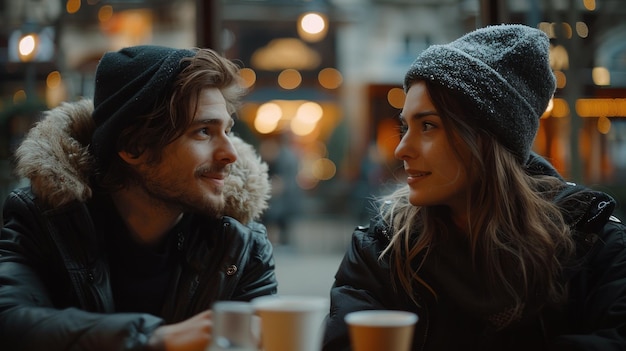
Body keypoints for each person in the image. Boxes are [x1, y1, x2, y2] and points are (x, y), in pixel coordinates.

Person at [323, 24, 626, 350]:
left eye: (428, 126)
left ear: (485, 140)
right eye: (405, 127)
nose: (401, 150)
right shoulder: (382, 248)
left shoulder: (593, 245)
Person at [0, 45, 277, 350]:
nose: (231, 153)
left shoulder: (239, 247)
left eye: (227, 130)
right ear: (133, 147)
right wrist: (152, 339)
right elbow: (11, 322)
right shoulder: (44, 222)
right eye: (203, 132)